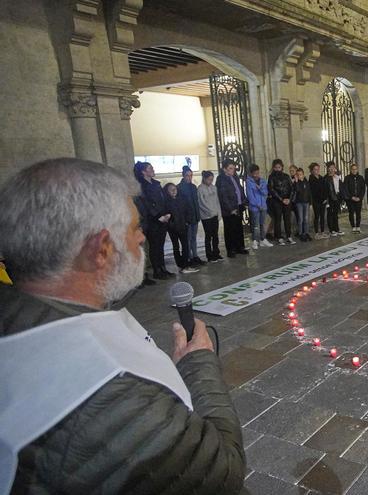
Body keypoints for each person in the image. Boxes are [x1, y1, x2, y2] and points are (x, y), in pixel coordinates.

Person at [0, 158, 245, 493]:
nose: (141, 237)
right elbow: (222, 471)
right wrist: (199, 364)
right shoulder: (112, 394)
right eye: (133, 228)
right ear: (101, 249)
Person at [133, 161, 172, 280]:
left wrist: (166, 213)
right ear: (143, 171)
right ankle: (157, 270)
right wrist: (157, 216)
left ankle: (163, 268)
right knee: (154, 246)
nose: (153, 169)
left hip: (163, 218)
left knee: (160, 245)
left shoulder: (156, 184)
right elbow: (146, 204)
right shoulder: (141, 186)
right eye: (150, 168)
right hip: (153, 221)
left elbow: (163, 199)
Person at [163, 183, 199, 274]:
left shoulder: (182, 199)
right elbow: (166, 215)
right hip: (173, 228)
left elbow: (188, 210)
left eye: (175, 189)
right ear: (167, 192)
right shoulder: (166, 202)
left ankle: (185, 264)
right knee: (176, 246)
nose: (174, 191)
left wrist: (187, 222)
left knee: (185, 245)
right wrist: (171, 225)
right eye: (171, 189)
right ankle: (180, 265)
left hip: (183, 226)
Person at [216, 159, 248, 258]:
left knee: (238, 228)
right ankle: (231, 250)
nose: (232, 170)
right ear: (224, 169)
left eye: (233, 168)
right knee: (230, 229)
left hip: (238, 206)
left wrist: (244, 201)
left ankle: (240, 247)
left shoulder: (235, 177)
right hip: (229, 209)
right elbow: (223, 196)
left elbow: (240, 189)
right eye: (230, 168)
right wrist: (230, 209)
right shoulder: (221, 179)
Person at [177, 166, 204, 265]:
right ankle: (189, 258)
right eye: (187, 176)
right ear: (183, 176)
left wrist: (198, 215)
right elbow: (181, 206)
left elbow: (196, 202)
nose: (190, 177)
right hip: (187, 219)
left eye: (191, 175)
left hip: (195, 217)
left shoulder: (193, 187)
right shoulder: (179, 188)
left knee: (193, 238)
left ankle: (195, 256)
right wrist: (184, 219)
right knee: (187, 239)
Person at [268, 158, 295, 245]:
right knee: (278, 219)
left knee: (287, 219)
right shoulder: (271, 177)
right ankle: (278, 237)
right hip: (277, 201)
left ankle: (289, 236)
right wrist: (281, 199)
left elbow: (292, 188)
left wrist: (289, 199)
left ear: (282, 167)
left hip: (287, 201)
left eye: (279, 167)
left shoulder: (286, 176)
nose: (277, 169)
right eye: (276, 167)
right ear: (273, 168)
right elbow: (271, 189)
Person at [198, 170, 223, 262]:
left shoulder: (214, 188)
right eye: (209, 179)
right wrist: (210, 212)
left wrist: (218, 212)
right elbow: (201, 203)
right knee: (208, 236)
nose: (210, 181)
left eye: (212, 179)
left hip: (215, 215)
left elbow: (217, 201)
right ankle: (209, 255)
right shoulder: (200, 189)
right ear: (204, 179)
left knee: (215, 235)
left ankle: (216, 253)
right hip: (206, 217)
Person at [246, 164, 272, 250]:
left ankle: (263, 239)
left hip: (263, 206)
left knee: (262, 224)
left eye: (257, 173)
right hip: (255, 207)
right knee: (255, 225)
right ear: (251, 173)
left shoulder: (263, 181)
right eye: (254, 173)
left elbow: (265, 193)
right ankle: (255, 240)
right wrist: (257, 205)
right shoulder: (249, 182)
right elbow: (250, 196)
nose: (256, 175)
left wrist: (260, 188)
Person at [343, 162, 366, 233]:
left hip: (359, 198)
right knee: (351, 213)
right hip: (350, 199)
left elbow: (363, 188)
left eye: (355, 169)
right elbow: (345, 189)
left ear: (357, 170)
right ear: (350, 170)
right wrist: (351, 197)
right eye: (353, 169)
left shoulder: (361, 178)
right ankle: (353, 226)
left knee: (358, 213)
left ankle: (358, 226)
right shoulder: (347, 178)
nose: (354, 170)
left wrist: (360, 197)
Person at [308, 163, 328, 239]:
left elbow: (325, 189)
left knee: (322, 216)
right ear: (312, 171)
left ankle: (322, 232)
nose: (317, 171)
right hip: (316, 201)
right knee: (317, 217)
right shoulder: (311, 179)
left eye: (318, 169)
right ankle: (316, 233)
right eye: (315, 169)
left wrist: (325, 198)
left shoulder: (321, 178)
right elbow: (313, 191)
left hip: (323, 201)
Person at [324, 161, 343, 237]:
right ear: (328, 169)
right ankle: (331, 230)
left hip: (337, 197)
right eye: (330, 168)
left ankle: (337, 229)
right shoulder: (326, 178)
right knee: (330, 214)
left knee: (336, 214)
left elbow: (340, 187)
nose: (332, 169)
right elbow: (325, 190)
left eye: (333, 167)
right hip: (330, 198)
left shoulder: (337, 176)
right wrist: (326, 199)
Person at [293, 168, 312, 242]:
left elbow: (309, 192)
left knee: (306, 219)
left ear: (303, 175)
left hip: (306, 202)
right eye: (298, 175)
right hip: (299, 203)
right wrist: (297, 182)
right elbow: (297, 190)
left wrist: (310, 202)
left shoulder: (306, 182)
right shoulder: (296, 183)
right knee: (300, 219)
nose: (299, 176)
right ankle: (301, 233)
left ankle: (306, 233)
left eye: (300, 174)